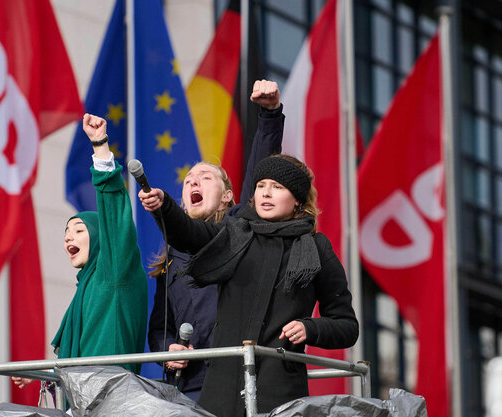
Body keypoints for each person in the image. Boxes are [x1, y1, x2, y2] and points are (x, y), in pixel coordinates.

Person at [139, 154, 359, 416]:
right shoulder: (235, 233)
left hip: (280, 391)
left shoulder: (318, 248)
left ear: (298, 199)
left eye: (277, 187)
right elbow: (191, 233)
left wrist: (310, 327)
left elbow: (347, 326)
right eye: (261, 185)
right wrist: (165, 207)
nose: (266, 193)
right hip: (220, 390)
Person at [147, 80, 284, 401]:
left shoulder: (242, 230)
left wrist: (270, 114)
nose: (194, 180)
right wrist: (168, 349)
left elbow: (260, 174)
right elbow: (159, 327)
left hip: (241, 382)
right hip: (189, 389)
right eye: (188, 180)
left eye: (206, 177)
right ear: (182, 203)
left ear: (227, 197)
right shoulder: (169, 259)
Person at [12, 113, 149, 389]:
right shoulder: (85, 289)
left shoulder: (114, 270)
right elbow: (79, 361)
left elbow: (112, 210)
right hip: (84, 402)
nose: (68, 238)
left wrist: (100, 146)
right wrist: (42, 373)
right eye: (66, 233)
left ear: (101, 237)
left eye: (78, 230)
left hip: (112, 400)